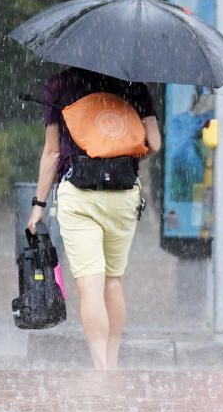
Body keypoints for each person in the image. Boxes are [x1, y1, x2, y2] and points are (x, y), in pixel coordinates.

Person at [26, 67, 161, 370]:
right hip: (123, 194)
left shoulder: (59, 85)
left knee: (89, 285)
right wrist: (119, 155)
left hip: (79, 194)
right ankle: (112, 364)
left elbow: (51, 152)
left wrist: (39, 205)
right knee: (113, 281)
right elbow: (154, 143)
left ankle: (100, 367)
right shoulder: (134, 83)